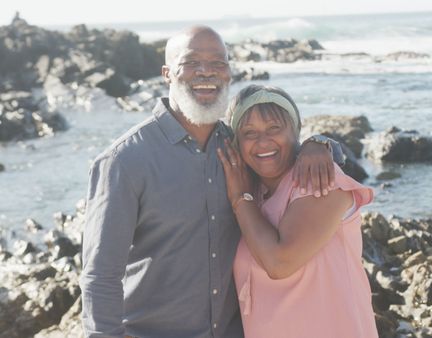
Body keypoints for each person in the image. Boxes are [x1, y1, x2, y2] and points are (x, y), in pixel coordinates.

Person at [80, 26, 342, 338]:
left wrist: (320, 143)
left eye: (218, 63)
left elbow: (285, 153)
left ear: (229, 74)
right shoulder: (125, 161)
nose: (206, 73)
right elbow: (101, 275)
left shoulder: (238, 148)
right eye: (191, 63)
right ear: (167, 73)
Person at [216, 84, 378, 338]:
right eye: (249, 132)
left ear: (296, 132)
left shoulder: (320, 179)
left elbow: (280, 262)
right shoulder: (253, 191)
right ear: (236, 142)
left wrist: (239, 198)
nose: (263, 141)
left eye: (274, 128)